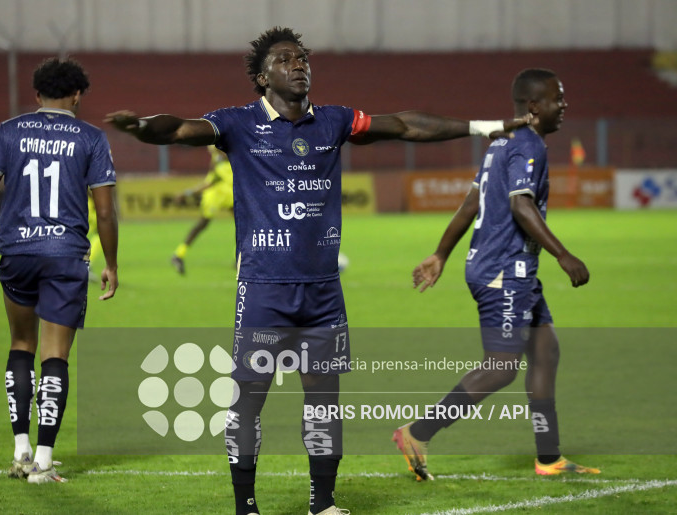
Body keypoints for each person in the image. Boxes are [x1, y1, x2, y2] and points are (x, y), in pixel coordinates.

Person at [105, 27, 528, 515]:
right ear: (263, 78)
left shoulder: (334, 122)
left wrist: (481, 127)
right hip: (264, 288)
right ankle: (246, 507)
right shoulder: (238, 124)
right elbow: (179, 129)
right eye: (286, 60)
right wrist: (142, 128)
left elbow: (405, 125)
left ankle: (322, 503)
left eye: (303, 58)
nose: (299, 64)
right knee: (248, 403)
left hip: (323, 293)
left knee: (324, 405)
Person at [400, 68, 599, 480]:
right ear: (533, 106)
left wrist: (441, 253)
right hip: (503, 271)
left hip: (513, 268)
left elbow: (472, 203)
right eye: (557, 99)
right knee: (502, 366)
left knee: (546, 351)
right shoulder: (528, 146)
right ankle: (417, 433)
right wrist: (564, 255)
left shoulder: (501, 145)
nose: (564, 106)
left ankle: (549, 458)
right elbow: (520, 206)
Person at [0, 57, 119, 484]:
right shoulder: (91, 137)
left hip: (17, 253)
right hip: (65, 255)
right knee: (55, 355)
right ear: (77, 95)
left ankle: (20, 450)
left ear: (36, 95)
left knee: (21, 344)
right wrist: (112, 264)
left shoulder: (8, 131)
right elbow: (105, 212)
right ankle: (44, 462)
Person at [171, 145, 234, 274]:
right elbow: (210, 181)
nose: (209, 149)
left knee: (243, 226)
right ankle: (178, 254)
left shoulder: (228, 154)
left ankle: (238, 258)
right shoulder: (218, 160)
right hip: (216, 194)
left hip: (231, 193)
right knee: (202, 224)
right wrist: (187, 193)